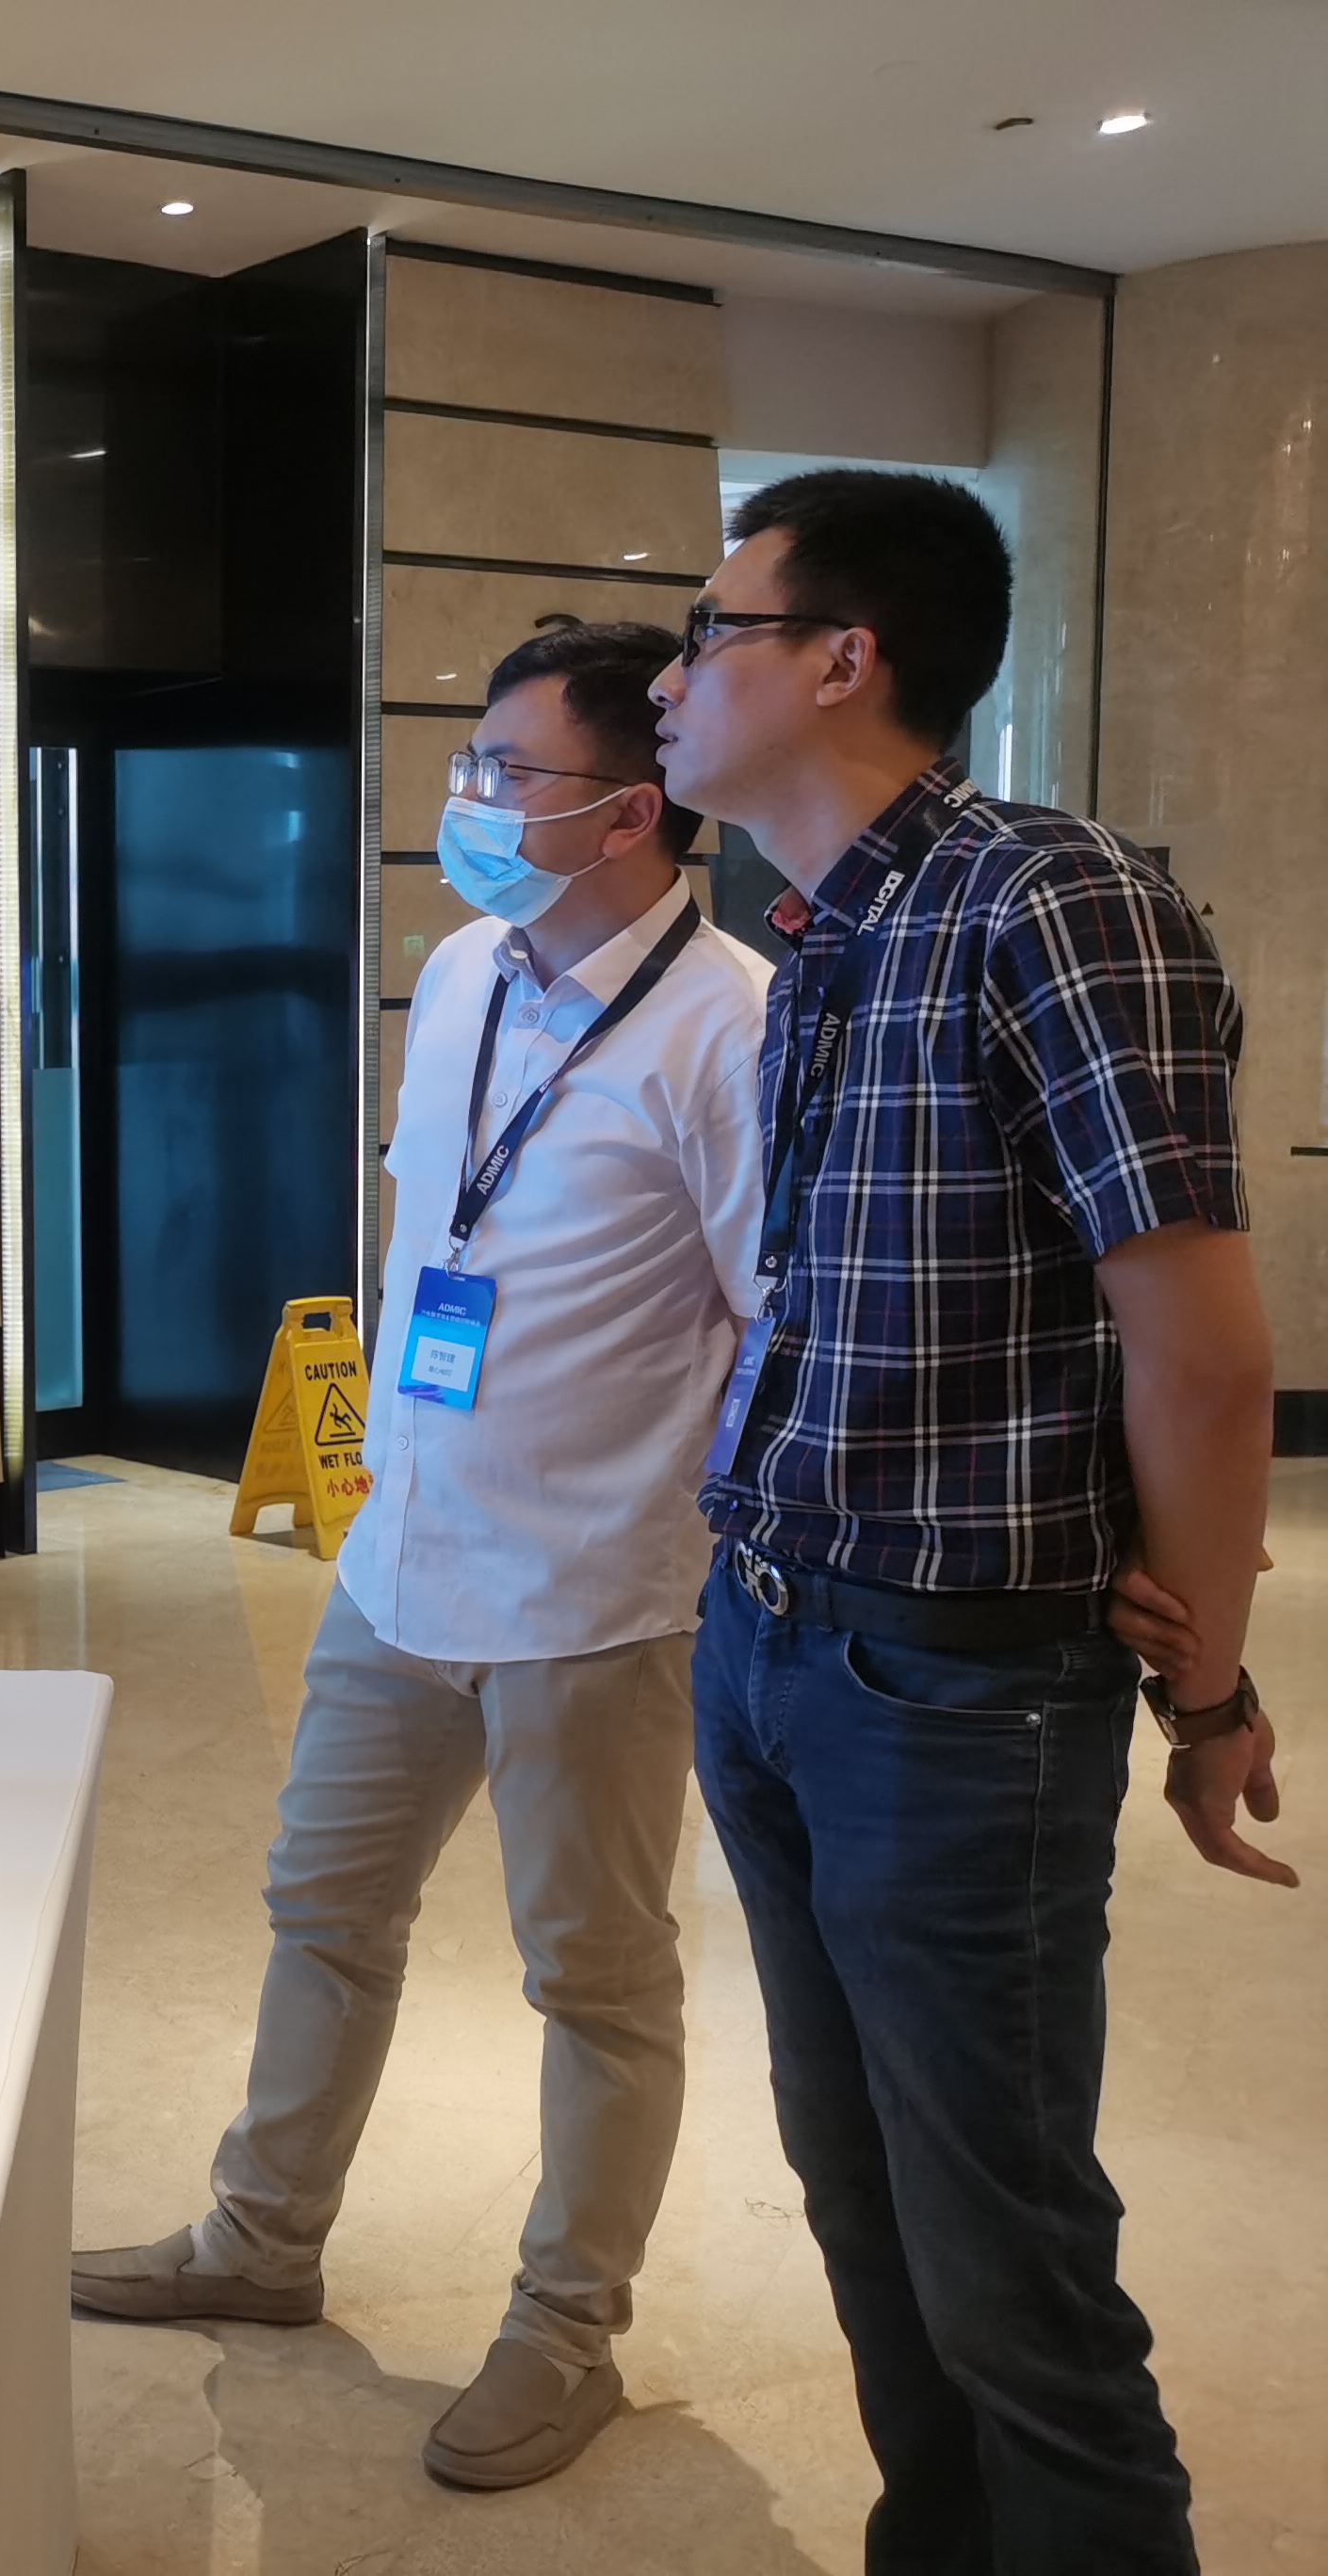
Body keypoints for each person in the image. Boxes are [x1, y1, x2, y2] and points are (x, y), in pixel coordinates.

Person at [651, 469, 1292, 2575]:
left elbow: (1201, 1357)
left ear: (843, 658)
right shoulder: (825, 937)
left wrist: (1211, 1688)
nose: (670, 679)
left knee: (1005, 2251)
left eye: (710, 631)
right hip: (774, 1633)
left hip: (949, 1687)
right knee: (863, 2197)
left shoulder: (1051, 897)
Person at [73, 620, 771, 2489]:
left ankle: (567, 2331)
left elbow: (772, 1320)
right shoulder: (462, 971)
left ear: (633, 812)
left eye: (510, 774)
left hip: (596, 1599)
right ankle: (260, 2236)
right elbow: (433, 1242)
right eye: (473, 763)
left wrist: (690, 1537)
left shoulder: (733, 1025)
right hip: (404, 1562)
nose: (470, 800)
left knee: (597, 1981)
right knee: (324, 1909)